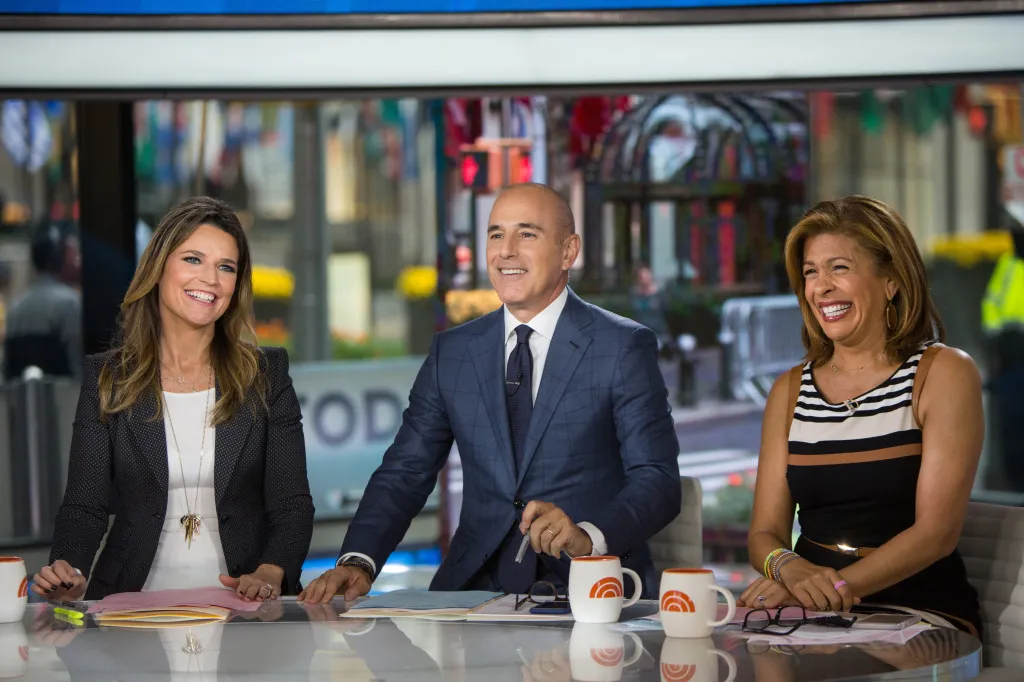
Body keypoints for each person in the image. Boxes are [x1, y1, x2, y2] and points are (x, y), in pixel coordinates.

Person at [299, 182, 681, 603]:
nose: (506, 250)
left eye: (527, 234)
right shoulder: (454, 351)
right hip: (472, 587)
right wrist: (359, 561)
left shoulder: (621, 345)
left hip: (586, 589)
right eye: (496, 234)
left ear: (569, 251)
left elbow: (658, 481)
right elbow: (406, 471)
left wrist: (585, 538)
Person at [30, 196, 314, 602]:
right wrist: (69, 571)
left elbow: (292, 505)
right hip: (134, 602)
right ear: (159, 267)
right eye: (194, 260)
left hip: (246, 605)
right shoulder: (109, 377)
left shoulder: (265, 375)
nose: (211, 280)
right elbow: (83, 508)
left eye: (226, 267)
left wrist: (271, 570)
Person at [740, 196, 984, 635]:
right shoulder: (788, 391)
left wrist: (819, 590)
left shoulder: (943, 373)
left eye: (839, 268)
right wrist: (788, 569)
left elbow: (936, 534)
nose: (821, 287)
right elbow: (764, 534)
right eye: (811, 272)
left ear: (890, 280)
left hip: (920, 612)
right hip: (814, 615)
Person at [2, 220, 82, 381]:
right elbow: (80, 373)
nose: (77, 260)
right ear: (58, 258)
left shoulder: (15, 307)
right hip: (66, 403)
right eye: (72, 254)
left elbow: (8, 374)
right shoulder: (70, 303)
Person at [981, 223, 1024, 491]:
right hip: (1010, 355)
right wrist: (996, 341)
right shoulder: (1009, 261)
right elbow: (992, 303)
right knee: (1011, 426)